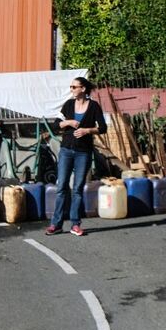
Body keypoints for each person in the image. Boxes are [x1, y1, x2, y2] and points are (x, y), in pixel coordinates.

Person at [47, 76, 107, 237]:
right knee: (61, 187)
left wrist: (87, 130)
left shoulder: (94, 106)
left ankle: (75, 224)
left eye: (74, 87)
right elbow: (55, 125)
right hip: (66, 150)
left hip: (83, 152)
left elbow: (102, 128)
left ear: (83, 89)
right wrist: (68, 122)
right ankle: (56, 224)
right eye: (71, 86)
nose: (72, 89)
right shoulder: (68, 105)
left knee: (78, 189)